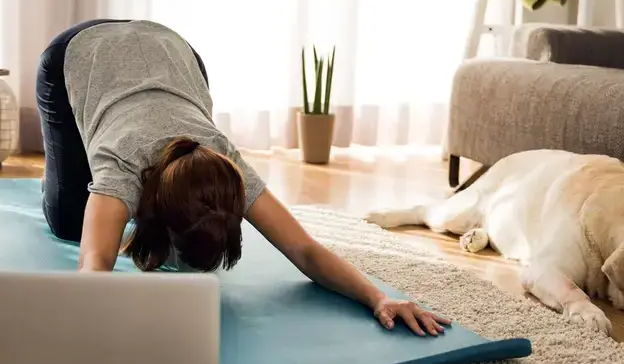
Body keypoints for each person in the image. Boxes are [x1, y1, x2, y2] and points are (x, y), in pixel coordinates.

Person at [35, 19, 449, 336]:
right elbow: (95, 261)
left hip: (173, 51)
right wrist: (87, 322)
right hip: (79, 53)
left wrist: (378, 298)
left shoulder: (226, 166)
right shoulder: (120, 163)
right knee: (70, 223)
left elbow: (304, 250)